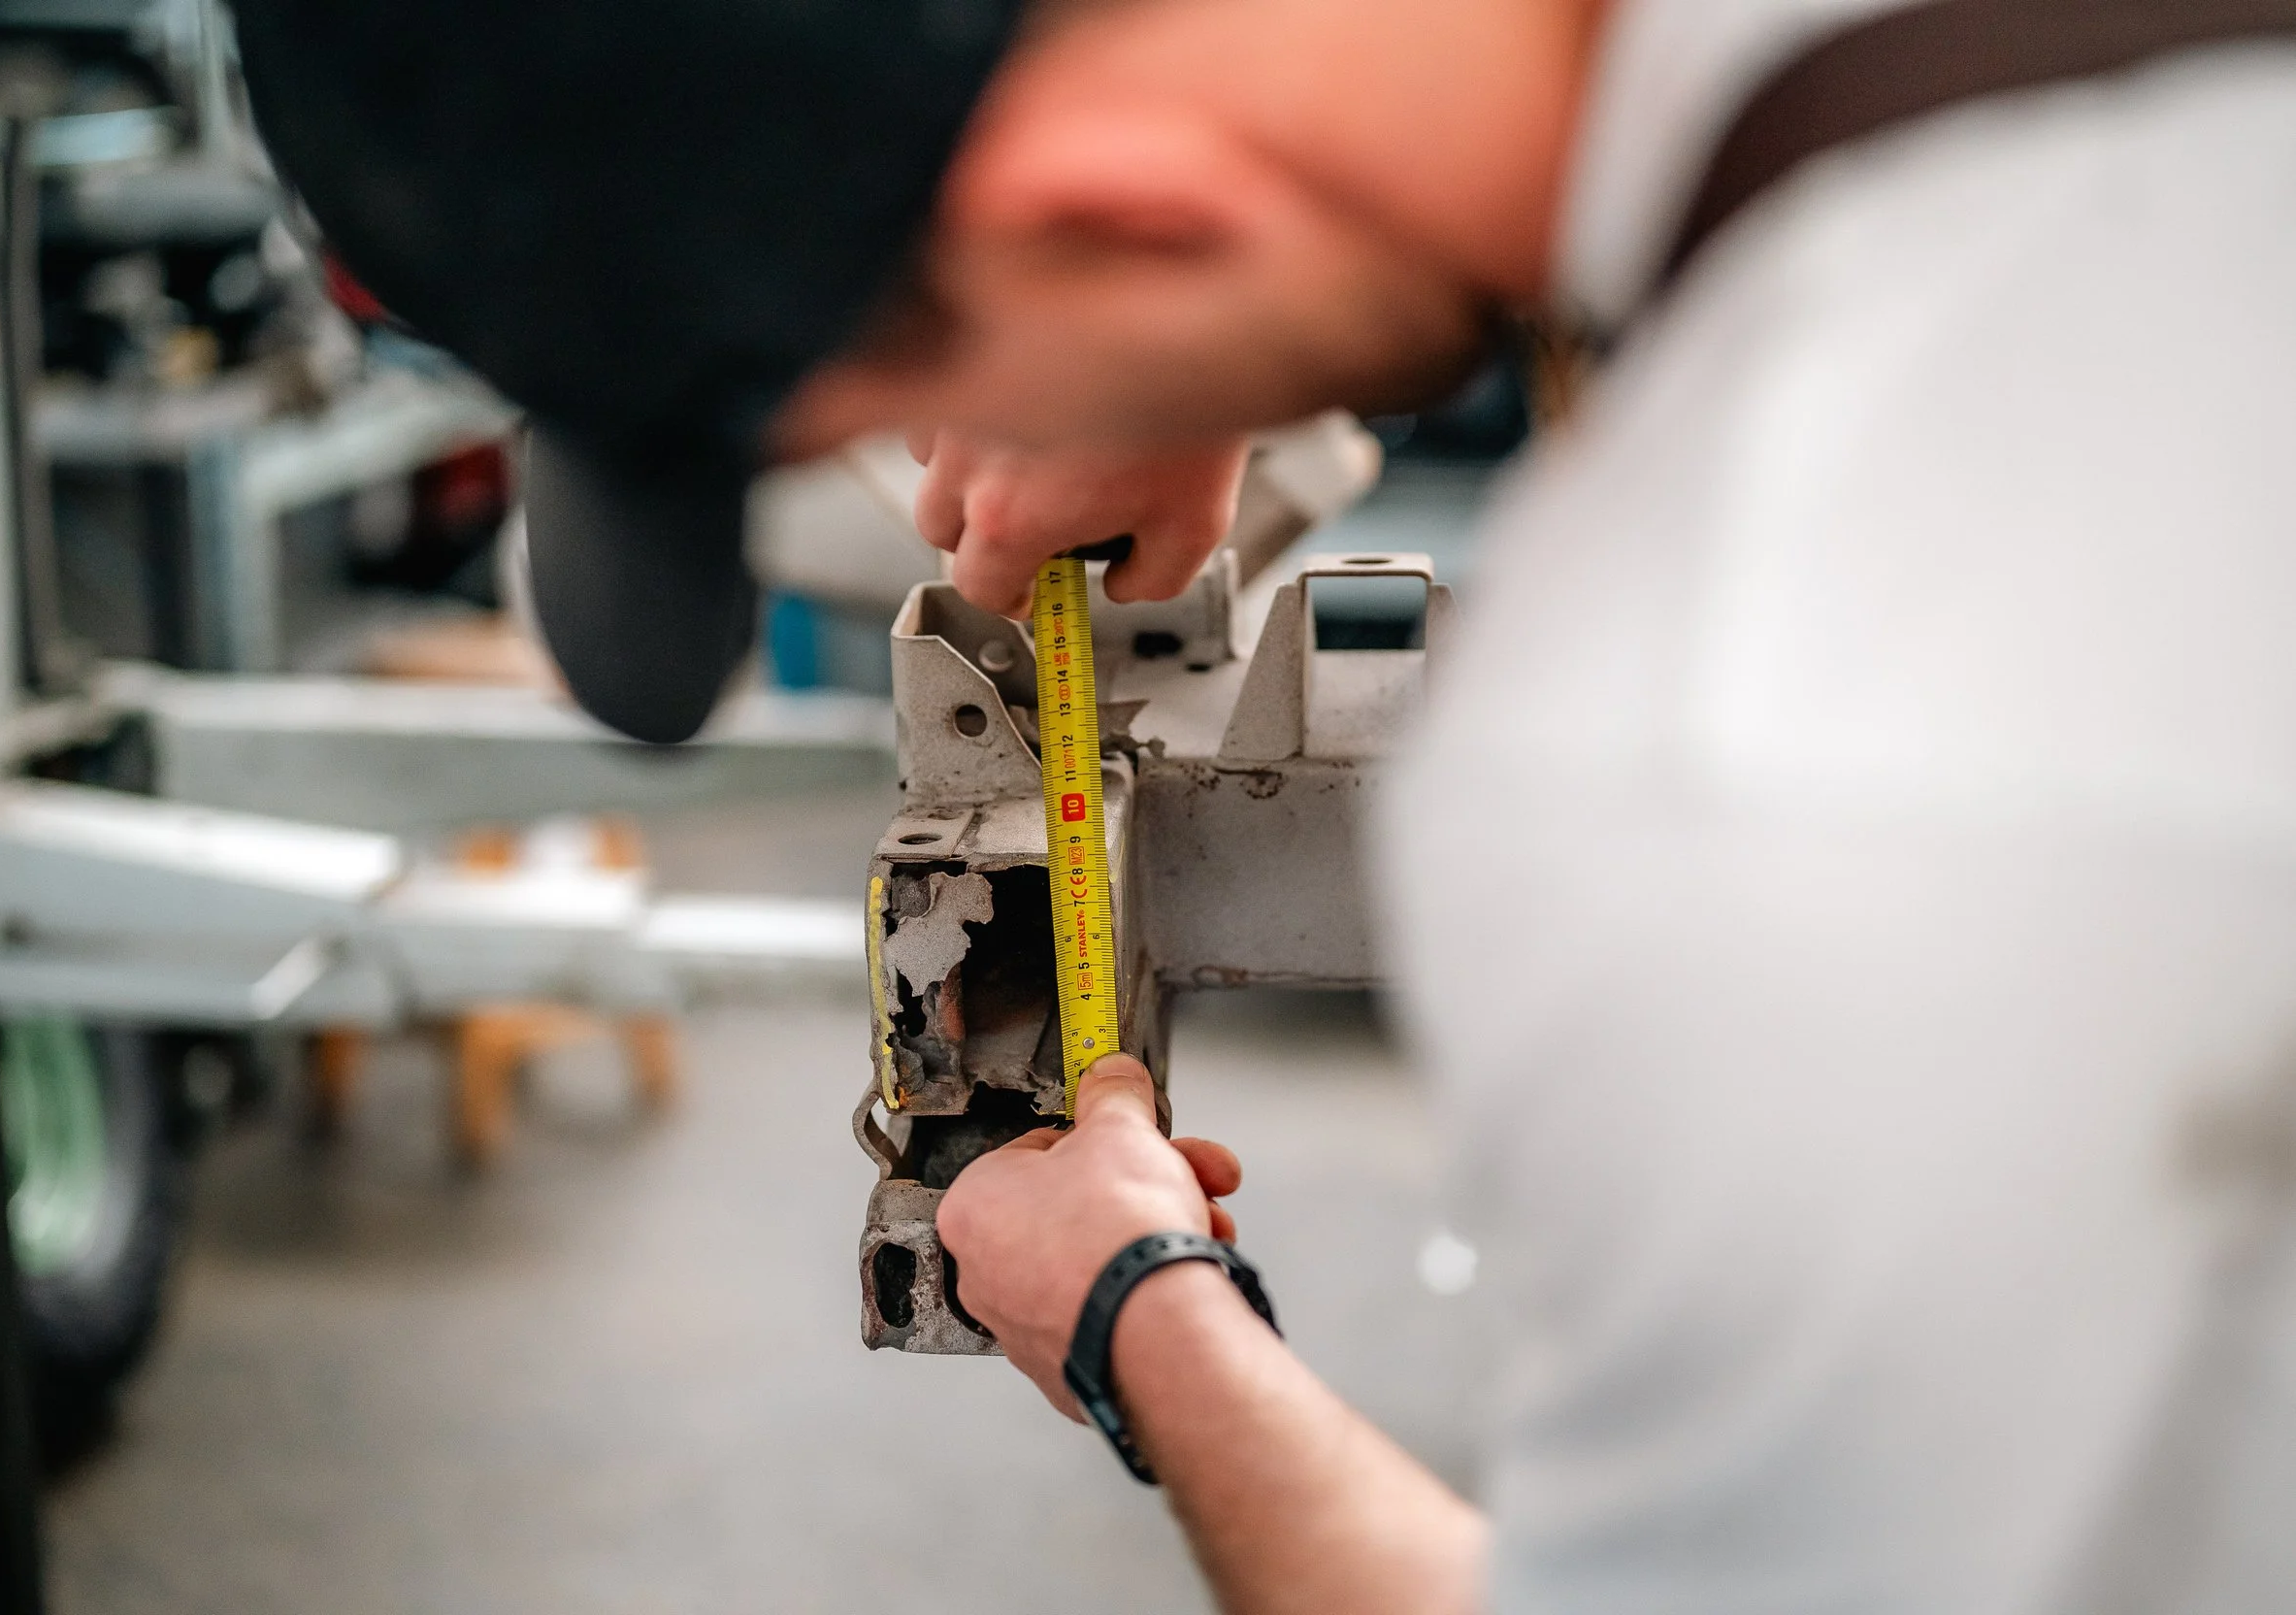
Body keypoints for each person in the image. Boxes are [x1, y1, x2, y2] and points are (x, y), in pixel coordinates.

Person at [235, 0, 2296, 1608]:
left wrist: (1142, 1316)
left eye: (932, 366)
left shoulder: (1759, 755)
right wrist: (1179, 343)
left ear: (1129, 209)